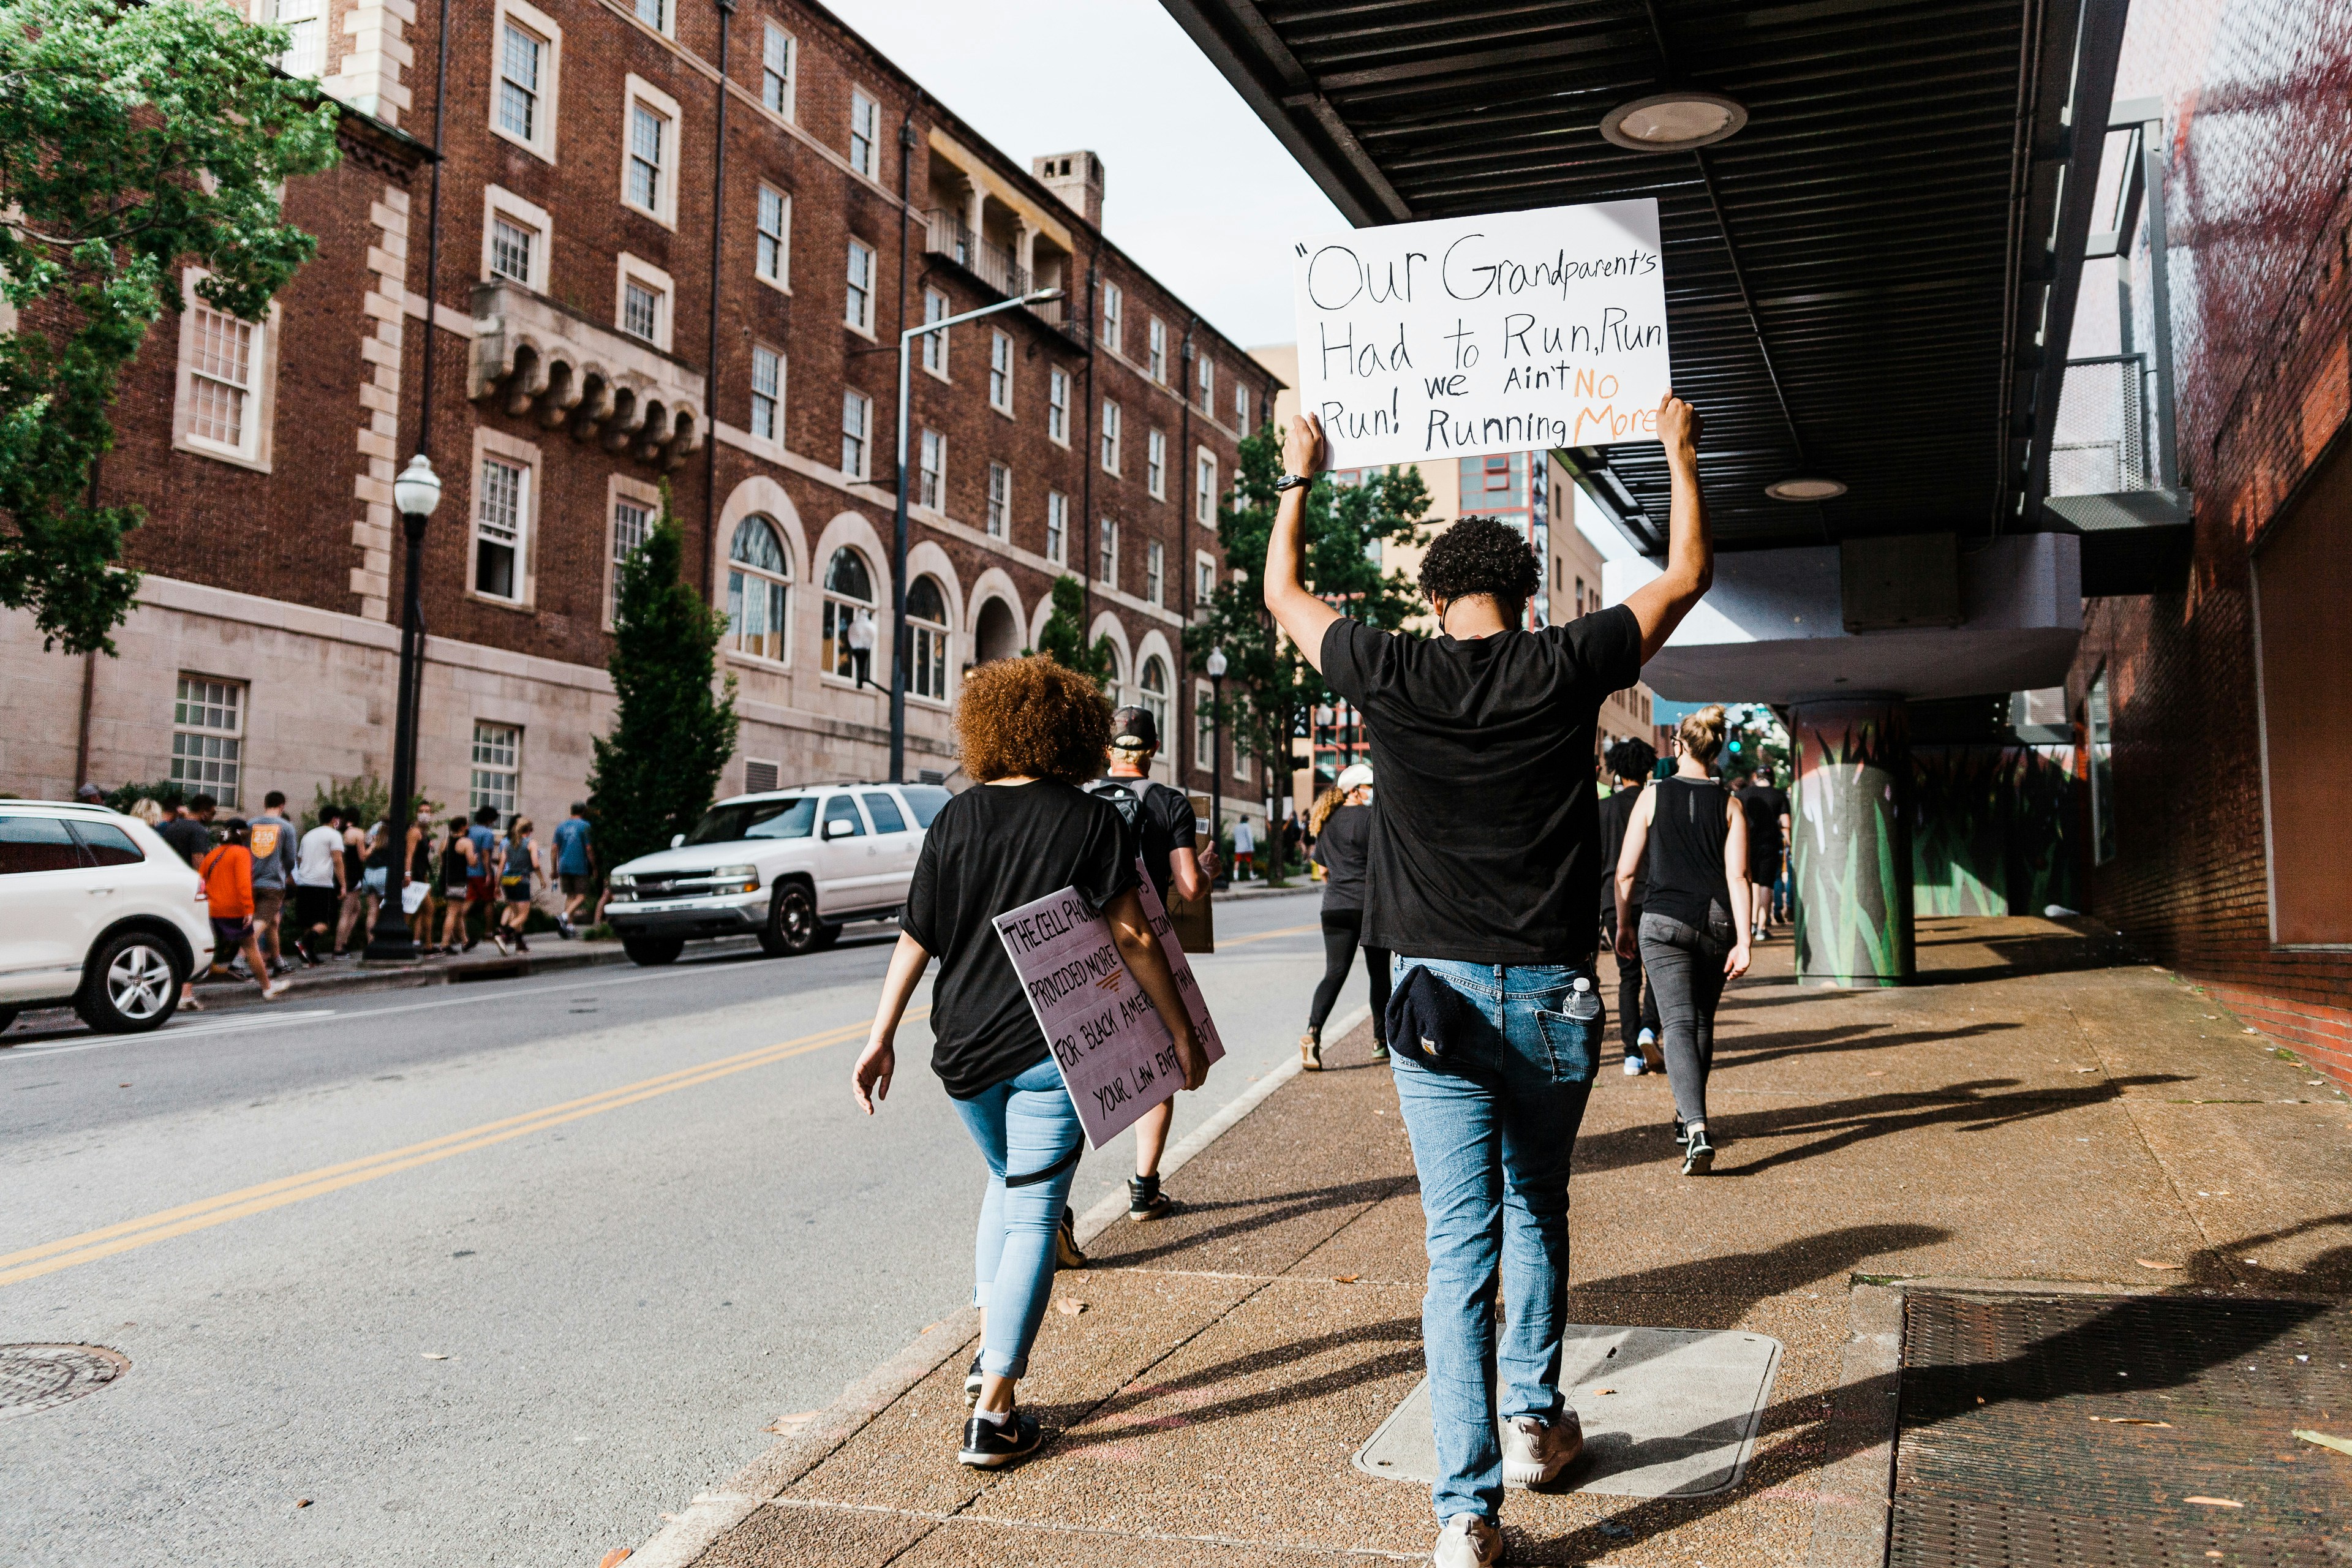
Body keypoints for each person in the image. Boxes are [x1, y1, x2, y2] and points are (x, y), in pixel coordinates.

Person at [1261, 395, 1713, 1568]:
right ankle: (1533, 1424)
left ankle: (1465, 1518)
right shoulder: (1568, 661)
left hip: (1437, 1005)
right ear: (1529, 595)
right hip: (1554, 994)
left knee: (1458, 1249)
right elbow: (1689, 576)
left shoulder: (1393, 669)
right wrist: (1677, 455)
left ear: (1433, 600)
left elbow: (1281, 599)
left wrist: (1300, 473)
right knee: (1538, 1209)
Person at [852, 656, 1209, 1469]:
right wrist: (1180, 1033)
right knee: (1033, 1215)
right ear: (1073, 730)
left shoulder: (957, 818)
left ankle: (985, 1357)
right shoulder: (1089, 823)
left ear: (989, 728)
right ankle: (996, 1409)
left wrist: (881, 1035)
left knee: (1009, 1190)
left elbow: (918, 935)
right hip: (1052, 1052)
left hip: (964, 1051)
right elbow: (1133, 937)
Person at [1085, 706, 1221, 1224]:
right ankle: (1144, 1190)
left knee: (1083, 1072)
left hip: (1087, 952)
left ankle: (1058, 1209)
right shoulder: (1170, 803)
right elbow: (1188, 887)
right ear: (1155, 749)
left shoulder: (1083, 799)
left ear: (1108, 751)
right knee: (1158, 1067)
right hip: (1145, 950)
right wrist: (1206, 869)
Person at [1613, 706, 1754, 1177]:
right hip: (1714, 922)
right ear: (1714, 751)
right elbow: (1739, 877)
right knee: (1701, 1022)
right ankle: (1688, 1113)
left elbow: (1627, 871)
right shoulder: (1731, 805)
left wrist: (1623, 926)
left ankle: (1695, 1126)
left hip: (1663, 919)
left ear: (1678, 747)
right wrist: (1745, 940)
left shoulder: (1653, 796)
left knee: (1675, 1022)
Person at [1302, 763, 1391, 1068]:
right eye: (1368, 786)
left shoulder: (1325, 822)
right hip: (1369, 908)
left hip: (1335, 907)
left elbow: (1323, 869)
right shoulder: (1372, 819)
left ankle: (1313, 1034)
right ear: (1354, 790)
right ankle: (1381, 1042)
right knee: (1379, 975)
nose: (1372, 791)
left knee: (1334, 973)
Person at [1595, 741, 1663, 1075]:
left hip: (1613, 898)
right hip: (1654, 895)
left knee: (1627, 976)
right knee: (1658, 972)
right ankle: (1649, 1029)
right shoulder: (1656, 804)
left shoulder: (1602, 809)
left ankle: (1629, 1055)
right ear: (1648, 767)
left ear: (1616, 769)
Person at [197, 821, 292, 1002]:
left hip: (212, 908)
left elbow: (201, 879)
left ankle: (185, 994)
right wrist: (249, 909)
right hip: (233, 909)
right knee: (250, 946)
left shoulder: (212, 854)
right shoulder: (241, 853)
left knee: (205, 950)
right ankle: (267, 987)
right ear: (242, 834)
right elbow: (243, 883)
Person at [1733, 766, 1790, 939]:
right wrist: (1790, 844)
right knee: (1766, 884)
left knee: (1751, 882)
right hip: (1770, 844)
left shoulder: (1742, 795)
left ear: (1755, 777)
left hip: (1747, 843)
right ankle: (1762, 928)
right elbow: (1786, 823)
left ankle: (1749, 925)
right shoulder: (1779, 795)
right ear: (1771, 777)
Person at [247, 791, 298, 976]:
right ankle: (240, 960)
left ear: (265, 804)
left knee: (272, 922)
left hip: (251, 881)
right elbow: (291, 858)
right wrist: (286, 873)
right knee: (260, 924)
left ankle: (278, 961)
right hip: (273, 882)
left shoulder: (250, 824)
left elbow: (244, 851)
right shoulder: (286, 827)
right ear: (282, 806)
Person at [293, 807, 347, 965]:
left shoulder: (308, 835)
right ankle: (303, 943)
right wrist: (343, 885)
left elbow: (300, 859)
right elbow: (337, 861)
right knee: (325, 922)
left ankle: (309, 956)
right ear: (334, 819)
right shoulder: (334, 835)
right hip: (322, 883)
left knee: (309, 922)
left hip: (304, 882)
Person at [494, 815, 540, 953]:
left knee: (515, 913)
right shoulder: (531, 843)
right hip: (521, 880)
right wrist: (542, 879)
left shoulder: (507, 844)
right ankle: (505, 935)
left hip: (507, 881)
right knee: (523, 915)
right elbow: (536, 864)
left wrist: (497, 886)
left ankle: (520, 943)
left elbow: (501, 866)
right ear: (529, 830)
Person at [552, 802, 597, 938]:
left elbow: (554, 848)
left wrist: (554, 868)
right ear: (583, 812)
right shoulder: (585, 826)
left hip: (564, 865)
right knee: (581, 896)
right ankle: (564, 916)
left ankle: (569, 927)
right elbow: (589, 848)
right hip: (579, 866)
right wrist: (594, 867)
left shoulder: (561, 826)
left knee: (570, 896)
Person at [465, 805, 502, 951]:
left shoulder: (470, 831)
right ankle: (488, 932)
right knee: (489, 902)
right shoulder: (487, 833)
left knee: (469, 900)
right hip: (481, 872)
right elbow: (485, 855)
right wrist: (489, 873)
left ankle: (459, 926)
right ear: (489, 819)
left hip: (469, 871)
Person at [436, 816, 475, 953]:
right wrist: (475, 859)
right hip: (458, 880)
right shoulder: (466, 842)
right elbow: (472, 863)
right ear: (462, 827)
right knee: (452, 912)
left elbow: (442, 862)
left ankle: (465, 941)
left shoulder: (445, 842)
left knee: (457, 912)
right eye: (467, 826)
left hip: (445, 880)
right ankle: (444, 944)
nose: (468, 828)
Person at [157, 794, 216, 869]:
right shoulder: (199, 830)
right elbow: (198, 863)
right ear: (205, 813)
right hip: (186, 877)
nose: (213, 818)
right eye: (213, 813)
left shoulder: (173, 825)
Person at [1229, 815, 1256, 881]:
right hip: (1247, 847)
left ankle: (1235, 876)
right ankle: (1251, 876)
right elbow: (1249, 838)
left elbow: (1235, 837)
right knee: (1249, 862)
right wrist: (1252, 848)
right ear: (1247, 820)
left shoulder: (1237, 827)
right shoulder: (1247, 827)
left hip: (1239, 847)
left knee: (1237, 861)